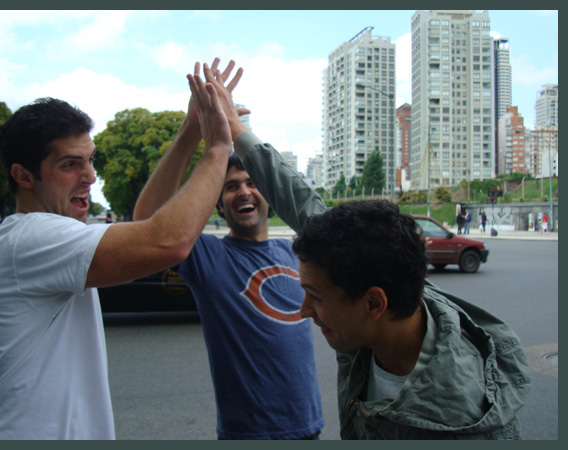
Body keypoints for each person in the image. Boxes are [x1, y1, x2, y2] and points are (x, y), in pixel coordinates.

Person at [194, 61, 532, 439]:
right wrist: (234, 128)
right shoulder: (397, 302)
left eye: (316, 297)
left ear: (374, 304)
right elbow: (305, 204)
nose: (304, 311)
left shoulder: (460, 426)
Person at [0, 80, 233, 440]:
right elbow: (168, 240)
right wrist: (219, 149)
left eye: (90, 160)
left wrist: (190, 130)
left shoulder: (35, 238)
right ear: (24, 176)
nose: (91, 177)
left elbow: (147, 226)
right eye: (70, 165)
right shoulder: (31, 237)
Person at [132, 59, 323, 440]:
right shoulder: (208, 257)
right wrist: (192, 130)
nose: (244, 191)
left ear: (269, 195)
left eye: (252, 182)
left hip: (310, 429)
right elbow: (147, 220)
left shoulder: (297, 254)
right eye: (231, 186)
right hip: (247, 434)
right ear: (218, 205)